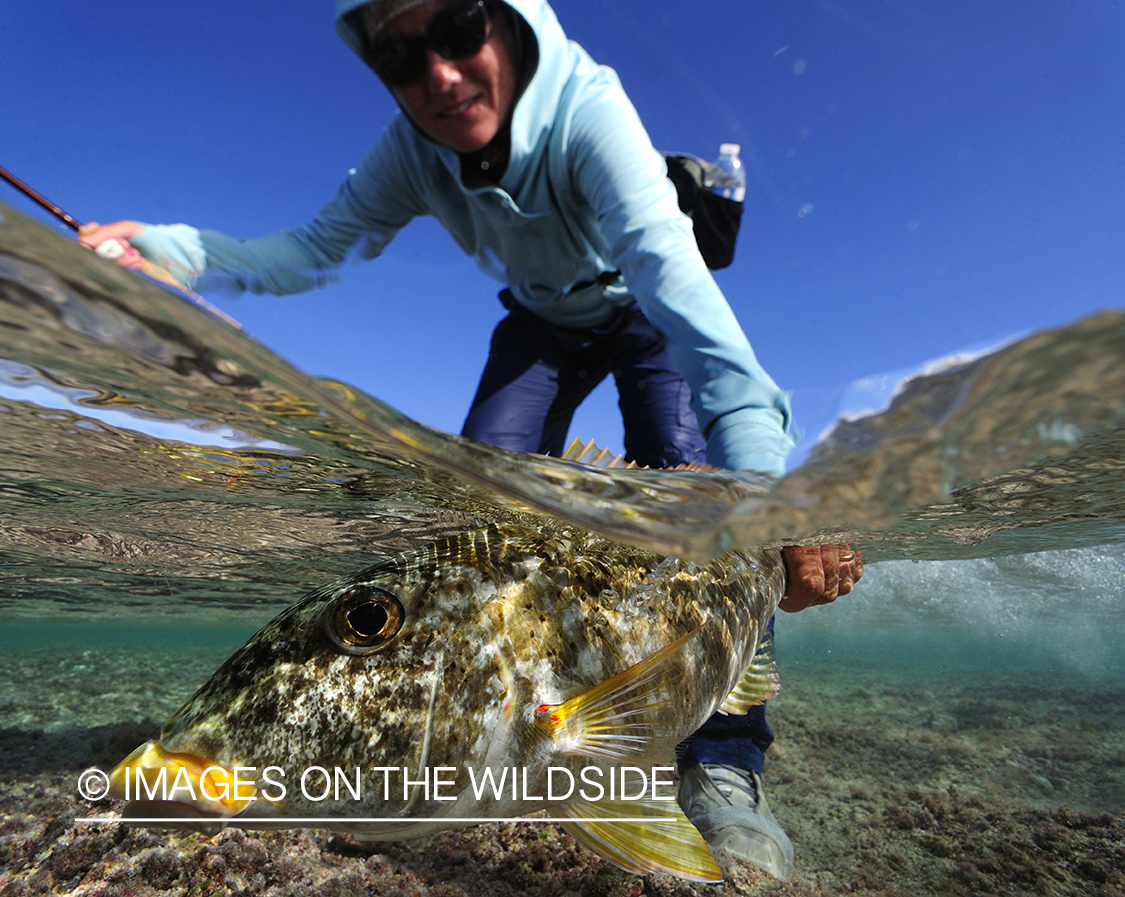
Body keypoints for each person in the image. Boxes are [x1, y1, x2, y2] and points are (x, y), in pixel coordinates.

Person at [79, 0, 862, 879]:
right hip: (538, 322)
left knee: (700, 497)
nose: (438, 74)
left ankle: (723, 761)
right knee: (469, 504)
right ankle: (393, 783)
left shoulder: (588, 114)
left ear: (507, 23)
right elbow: (304, 252)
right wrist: (164, 247)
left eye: (456, 30)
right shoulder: (409, 151)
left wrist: (767, 503)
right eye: (399, 53)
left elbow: (684, 298)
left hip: (641, 311)